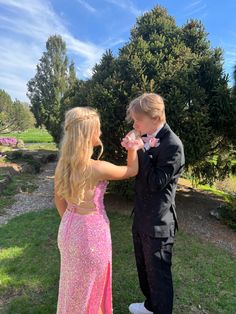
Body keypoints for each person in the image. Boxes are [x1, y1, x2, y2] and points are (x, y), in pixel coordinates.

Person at [54, 106, 143, 314]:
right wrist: (132, 148)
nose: (101, 133)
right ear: (88, 134)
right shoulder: (97, 168)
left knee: (72, 286)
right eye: (98, 129)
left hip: (68, 230)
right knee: (93, 288)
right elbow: (132, 170)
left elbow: (58, 201)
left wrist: (72, 226)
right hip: (92, 235)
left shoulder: (62, 165)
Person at [122, 93, 185, 314]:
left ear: (155, 116)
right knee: (144, 270)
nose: (134, 124)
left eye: (138, 119)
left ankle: (160, 309)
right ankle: (150, 306)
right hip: (141, 217)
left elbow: (156, 182)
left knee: (159, 277)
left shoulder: (173, 145)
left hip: (159, 223)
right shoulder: (147, 136)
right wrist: (134, 149)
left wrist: (139, 149)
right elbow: (137, 171)